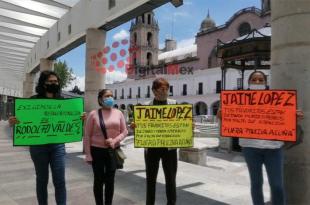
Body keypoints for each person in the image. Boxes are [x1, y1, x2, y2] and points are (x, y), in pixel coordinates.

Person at [218, 71, 304, 205]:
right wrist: (223, 117)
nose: (257, 82)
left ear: (265, 82)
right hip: (250, 148)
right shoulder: (240, 100)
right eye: (254, 79)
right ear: (249, 82)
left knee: (277, 185)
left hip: (274, 149)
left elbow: (284, 120)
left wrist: (294, 118)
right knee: (256, 183)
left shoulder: (276, 100)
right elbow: (233, 121)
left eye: (260, 80)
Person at [9, 70, 86, 205]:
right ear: (43, 83)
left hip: (58, 146)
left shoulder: (62, 102)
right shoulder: (33, 101)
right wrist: (13, 121)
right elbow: (21, 121)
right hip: (38, 146)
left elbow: (73, 120)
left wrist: (80, 118)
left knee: (60, 180)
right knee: (42, 180)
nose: (53, 83)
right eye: (50, 81)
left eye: (56, 81)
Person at [83, 89, 128, 205]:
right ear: (100, 99)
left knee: (110, 181)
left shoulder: (118, 113)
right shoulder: (93, 114)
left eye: (111, 96)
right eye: (107, 96)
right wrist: (88, 154)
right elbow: (87, 135)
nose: (110, 98)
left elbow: (125, 131)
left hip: (112, 151)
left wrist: (115, 141)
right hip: (96, 151)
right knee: (98, 180)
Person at [143, 78, 178, 205]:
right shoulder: (146, 106)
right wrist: (136, 126)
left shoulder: (174, 104)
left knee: (171, 179)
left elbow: (181, 123)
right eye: (162, 89)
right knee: (150, 180)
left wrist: (189, 125)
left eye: (167, 88)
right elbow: (142, 126)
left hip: (169, 148)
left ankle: (171, 203)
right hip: (151, 148)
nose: (165, 91)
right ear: (154, 91)